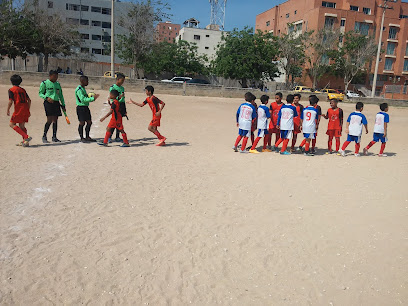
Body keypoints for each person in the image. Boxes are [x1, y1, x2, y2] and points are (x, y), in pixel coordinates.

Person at [39, 70, 66, 143]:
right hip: (48, 103)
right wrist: (46, 98)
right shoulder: (44, 83)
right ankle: (44, 136)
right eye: (54, 76)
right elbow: (40, 93)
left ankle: (54, 137)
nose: (56, 78)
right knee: (49, 119)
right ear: (50, 76)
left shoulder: (58, 84)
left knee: (55, 119)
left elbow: (60, 95)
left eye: (57, 76)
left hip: (56, 103)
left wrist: (63, 104)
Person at [7, 74, 32, 147]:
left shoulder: (11, 90)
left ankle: (26, 136)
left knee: (11, 124)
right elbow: (29, 100)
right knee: (22, 126)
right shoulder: (23, 90)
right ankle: (25, 142)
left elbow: (11, 101)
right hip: (25, 108)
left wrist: (8, 110)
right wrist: (28, 110)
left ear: (11, 81)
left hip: (19, 109)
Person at [75, 75, 100, 142]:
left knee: (89, 122)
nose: (87, 82)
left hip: (85, 107)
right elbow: (82, 99)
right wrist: (92, 98)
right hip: (80, 108)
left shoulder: (83, 88)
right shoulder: (79, 89)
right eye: (86, 81)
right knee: (82, 123)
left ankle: (87, 136)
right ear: (82, 81)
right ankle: (81, 137)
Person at [109, 73, 127, 142]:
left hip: (121, 105)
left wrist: (124, 109)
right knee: (114, 122)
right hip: (116, 105)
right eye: (122, 80)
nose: (123, 82)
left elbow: (123, 99)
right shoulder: (113, 87)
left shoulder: (122, 88)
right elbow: (112, 98)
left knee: (119, 122)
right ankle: (109, 137)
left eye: (123, 81)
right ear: (118, 79)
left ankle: (117, 137)